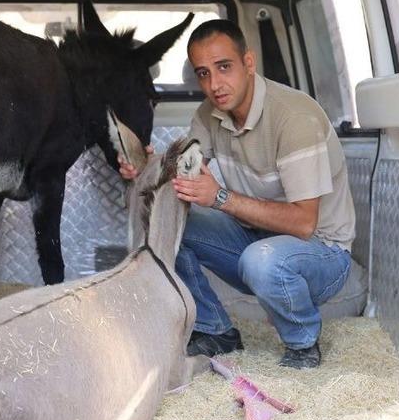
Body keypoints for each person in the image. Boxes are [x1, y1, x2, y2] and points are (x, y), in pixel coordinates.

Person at [119, 19, 355, 369]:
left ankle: (302, 344)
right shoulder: (208, 114)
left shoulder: (294, 118)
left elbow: (305, 223)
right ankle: (215, 330)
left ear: (248, 62)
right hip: (256, 238)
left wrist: (220, 198)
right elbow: (185, 172)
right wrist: (148, 169)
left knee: (261, 259)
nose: (214, 84)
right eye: (202, 73)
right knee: (169, 219)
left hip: (322, 252)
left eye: (224, 67)